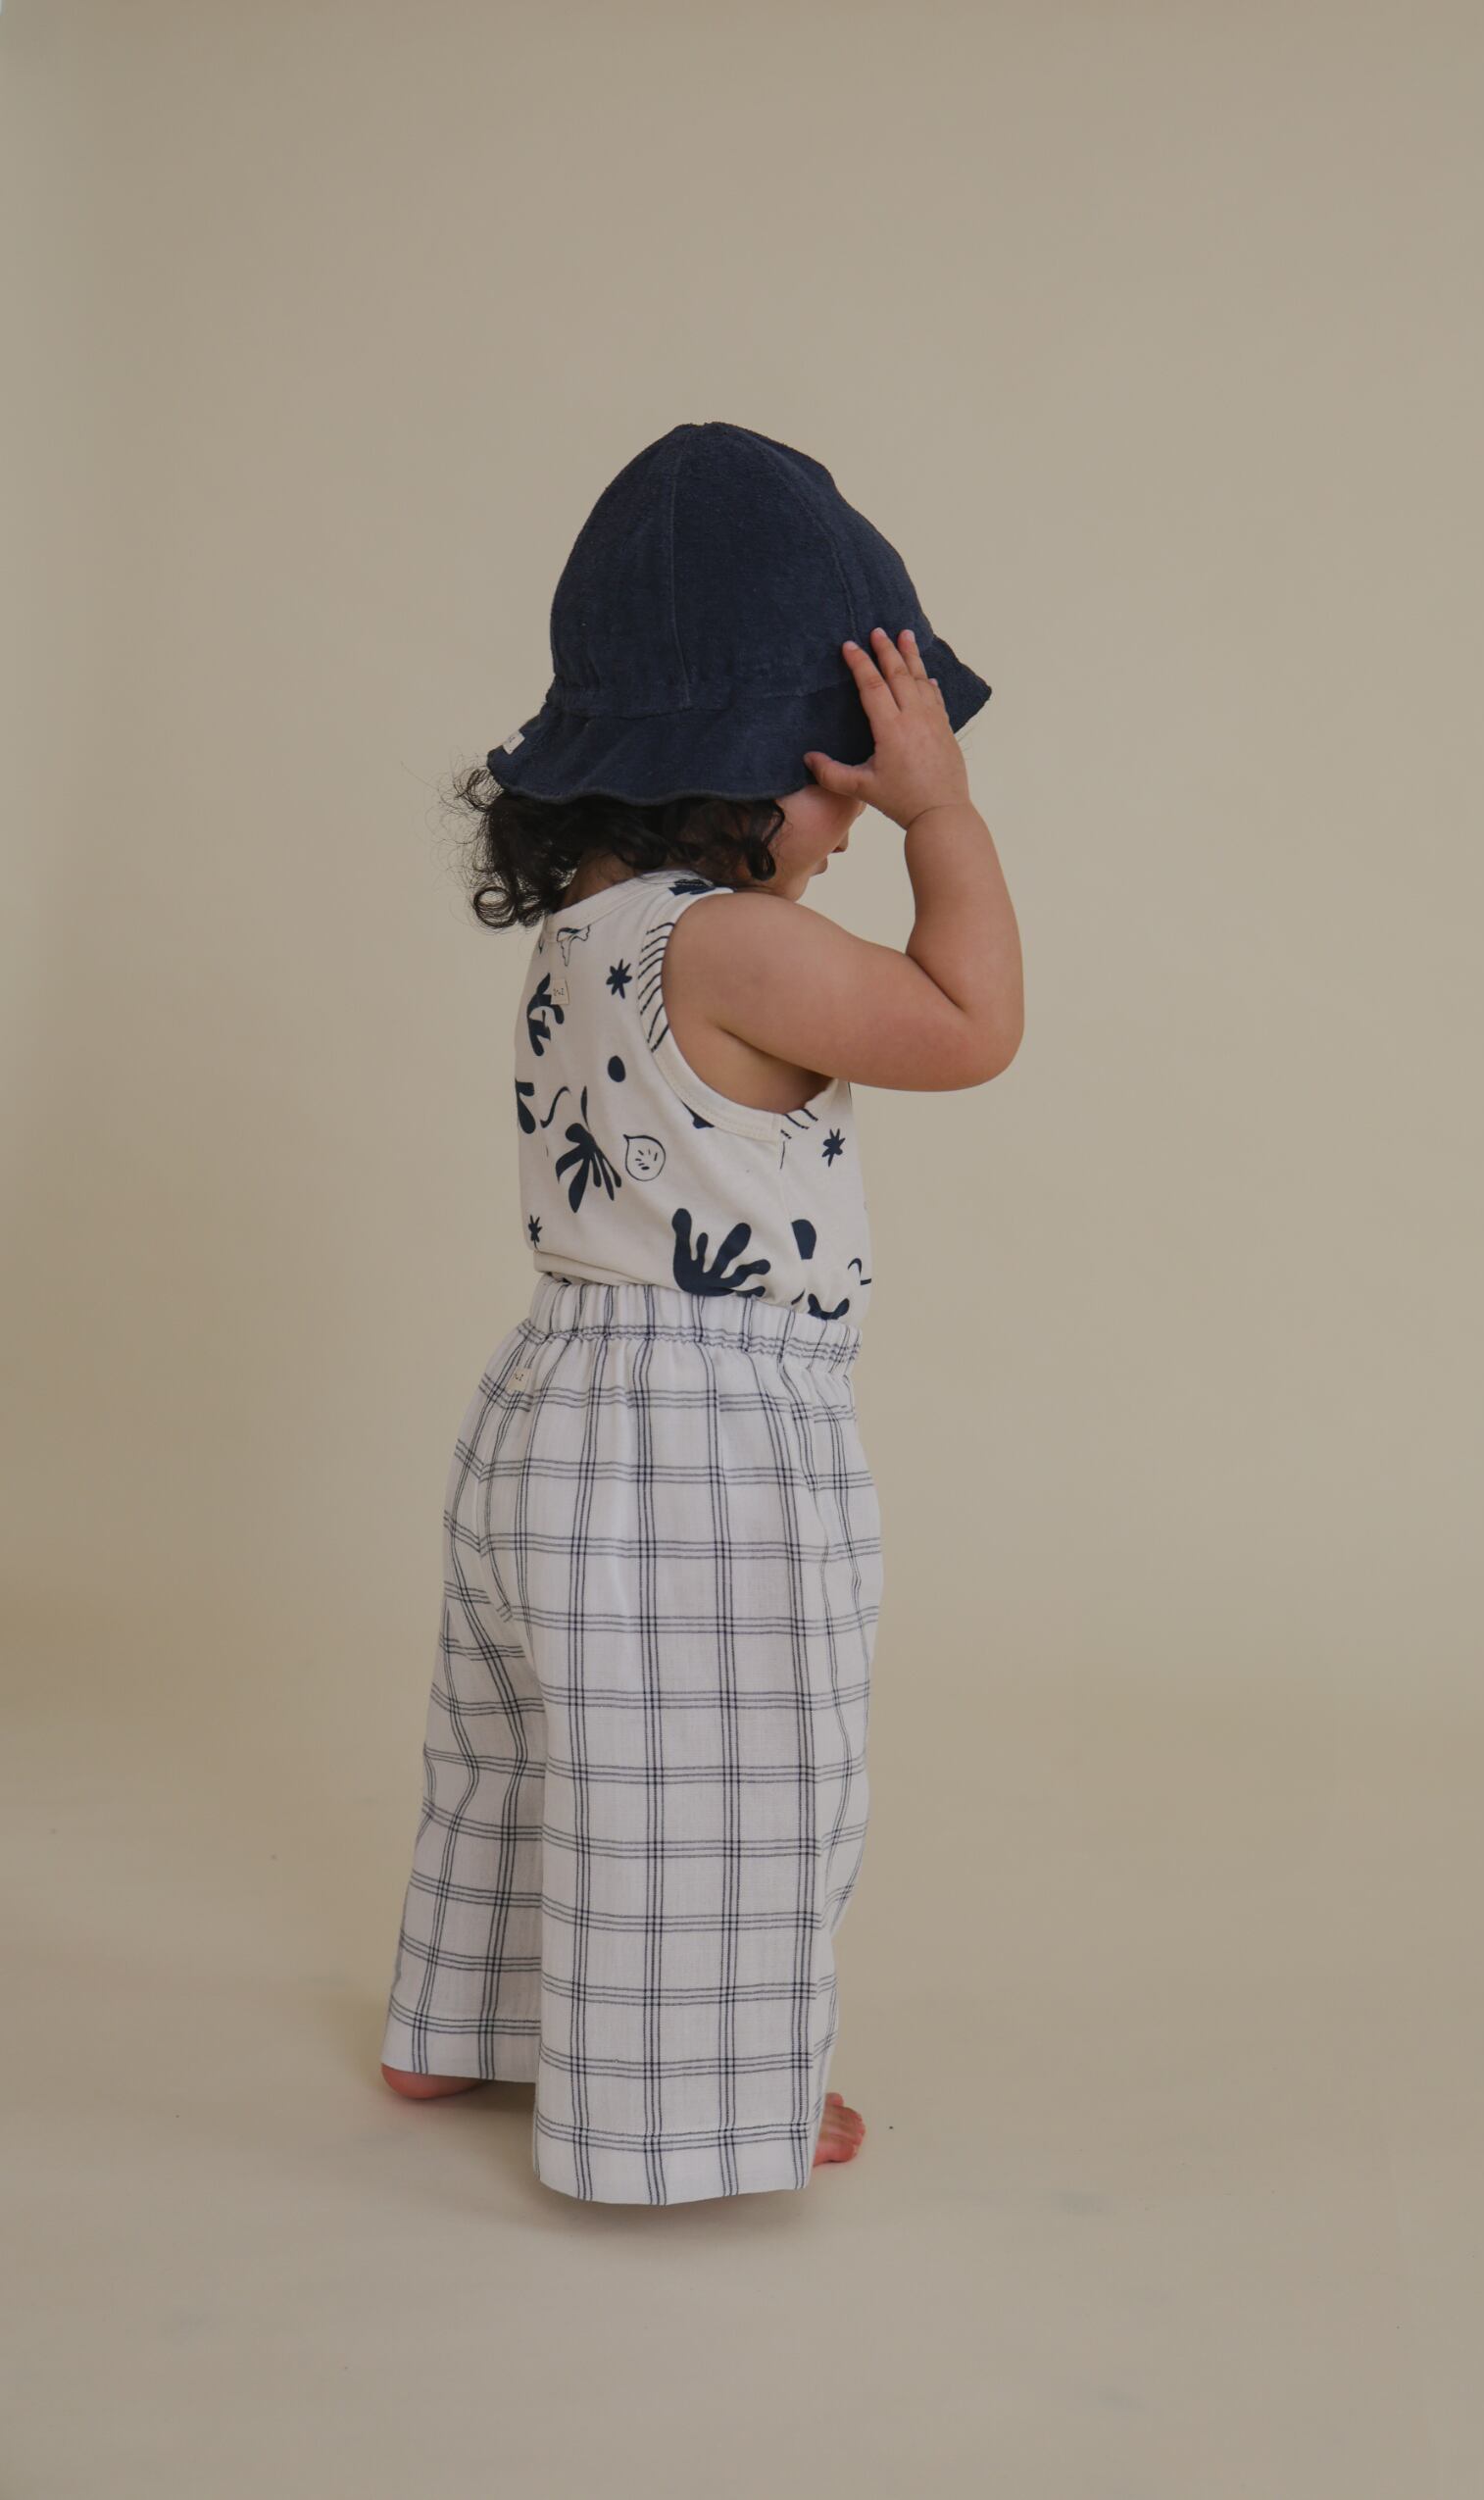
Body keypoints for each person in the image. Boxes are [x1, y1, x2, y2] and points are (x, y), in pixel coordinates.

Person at [376, 422, 1022, 2204]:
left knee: (532, 1739)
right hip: (703, 1439)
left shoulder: (581, 935)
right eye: (838, 774)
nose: (854, 813)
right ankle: (700, 2096)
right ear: (745, 764)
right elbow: (971, 1023)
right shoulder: (734, 944)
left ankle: (461, 2015)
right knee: (722, 1776)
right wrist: (946, 814)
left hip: (545, 1402)